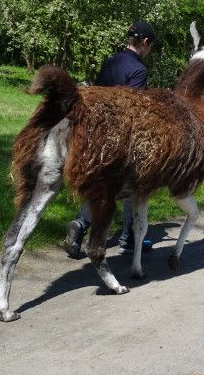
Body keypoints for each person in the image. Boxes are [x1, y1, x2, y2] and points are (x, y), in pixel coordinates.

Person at [64, 20, 156, 257]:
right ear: (144, 43)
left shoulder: (110, 62)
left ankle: (80, 224)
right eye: (150, 46)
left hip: (95, 132)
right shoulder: (139, 70)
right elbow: (133, 109)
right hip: (120, 137)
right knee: (132, 182)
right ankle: (127, 238)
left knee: (98, 185)